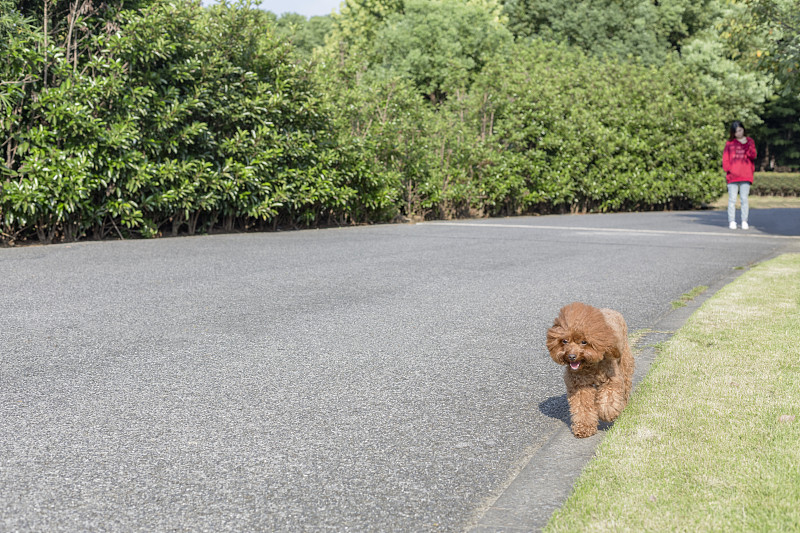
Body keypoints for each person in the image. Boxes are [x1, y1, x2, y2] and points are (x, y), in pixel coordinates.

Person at [722, 120, 757, 229]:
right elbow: (725, 158)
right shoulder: (730, 143)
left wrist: (746, 144)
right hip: (732, 176)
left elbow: (753, 155)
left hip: (745, 175)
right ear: (733, 133)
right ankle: (732, 221)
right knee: (732, 199)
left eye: (740, 130)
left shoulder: (750, 141)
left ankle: (744, 221)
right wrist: (729, 169)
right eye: (736, 131)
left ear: (743, 129)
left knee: (744, 199)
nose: (739, 133)